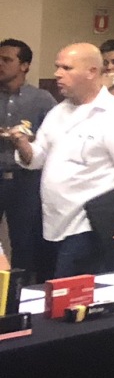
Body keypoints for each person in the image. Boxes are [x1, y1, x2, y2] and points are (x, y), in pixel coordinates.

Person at [5, 44, 114, 276]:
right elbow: (37, 158)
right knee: (53, 285)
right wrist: (22, 144)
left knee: (75, 287)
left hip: (91, 223)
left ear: (92, 72)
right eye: (57, 67)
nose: (57, 74)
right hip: (54, 221)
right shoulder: (58, 112)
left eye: (66, 68)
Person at [0, 39, 55, 279]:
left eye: (6, 60)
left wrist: (26, 138)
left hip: (25, 179)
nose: (0, 64)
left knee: (24, 240)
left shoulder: (42, 99)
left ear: (24, 65)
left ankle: (21, 289)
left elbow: (53, 138)